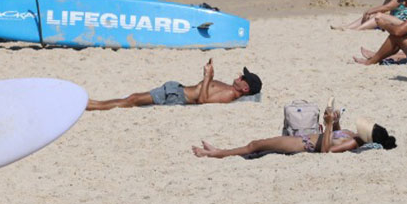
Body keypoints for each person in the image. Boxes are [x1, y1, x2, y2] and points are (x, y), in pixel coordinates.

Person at [192, 104, 364, 159]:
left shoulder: (353, 142)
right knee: (259, 148)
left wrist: (326, 126)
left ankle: (216, 153)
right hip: (302, 139)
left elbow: (327, 150)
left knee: (255, 145)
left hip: (302, 143)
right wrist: (336, 122)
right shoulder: (351, 134)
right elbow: (335, 136)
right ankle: (218, 152)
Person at [87, 60, 260, 111]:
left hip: (176, 96)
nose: (239, 76)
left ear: (245, 88)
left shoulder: (229, 95)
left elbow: (203, 100)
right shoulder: (229, 89)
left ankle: (94, 105)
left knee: (132, 100)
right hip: (177, 89)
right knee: (133, 97)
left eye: (243, 77)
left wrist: (208, 76)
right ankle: (95, 103)